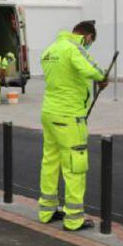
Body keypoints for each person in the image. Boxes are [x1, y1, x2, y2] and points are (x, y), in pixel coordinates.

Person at [38, 22, 107, 232]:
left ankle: (47, 211)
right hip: (69, 116)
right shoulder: (73, 47)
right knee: (75, 166)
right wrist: (102, 77)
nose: (89, 46)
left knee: (50, 161)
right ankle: (74, 219)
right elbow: (92, 69)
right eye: (91, 42)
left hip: (49, 112)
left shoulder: (51, 49)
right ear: (87, 36)